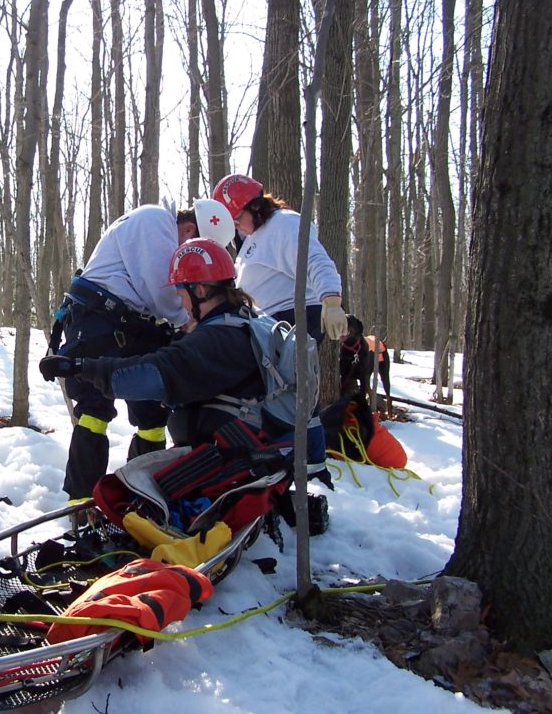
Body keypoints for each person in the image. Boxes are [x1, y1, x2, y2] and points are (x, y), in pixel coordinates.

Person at [39, 237, 325, 460]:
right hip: (256, 452)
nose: (180, 305)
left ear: (199, 291)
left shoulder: (218, 339)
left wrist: (78, 367)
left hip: (229, 462)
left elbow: (153, 374)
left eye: (180, 294)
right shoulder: (250, 320)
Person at [45, 201, 235, 500]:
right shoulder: (154, 221)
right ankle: (82, 502)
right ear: (188, 230)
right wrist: (193, 323)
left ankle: (141, 494)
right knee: (94, 410)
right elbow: (161, 291)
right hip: (97, 318)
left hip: (130, 320)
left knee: (154, 413)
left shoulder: (159, 227)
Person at [211, 174, 347, 343]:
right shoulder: (254, 237)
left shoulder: (284, 223)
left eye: (237, 219)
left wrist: (331, 299)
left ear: (255, 206)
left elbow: (314, 259)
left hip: (289, 320)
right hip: (267, 323)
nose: (236, 227)